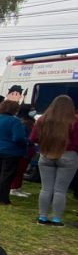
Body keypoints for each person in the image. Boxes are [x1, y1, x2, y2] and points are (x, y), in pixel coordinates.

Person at [29, 95, 78, 226]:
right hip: (68, 155)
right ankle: (57, 219)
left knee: (45, 189)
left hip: (46, 154)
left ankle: (43, 217)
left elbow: (33, 138)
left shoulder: (42, 120)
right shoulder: (74, 121)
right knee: (60, 190)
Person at [0, 100, 28, 205]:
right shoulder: (15, 121)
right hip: (11, 151)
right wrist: (25, 144)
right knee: (6, 175)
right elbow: (18, 137)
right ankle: (2, 199)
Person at [9, 104, 36, 198]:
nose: (34, 111)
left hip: (29, 147)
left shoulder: (29, 121)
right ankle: (14, 188)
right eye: (32, 109)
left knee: (22, 169)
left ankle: (18, 187)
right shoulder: (23, 122)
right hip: (24, 147)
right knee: (19, 169)